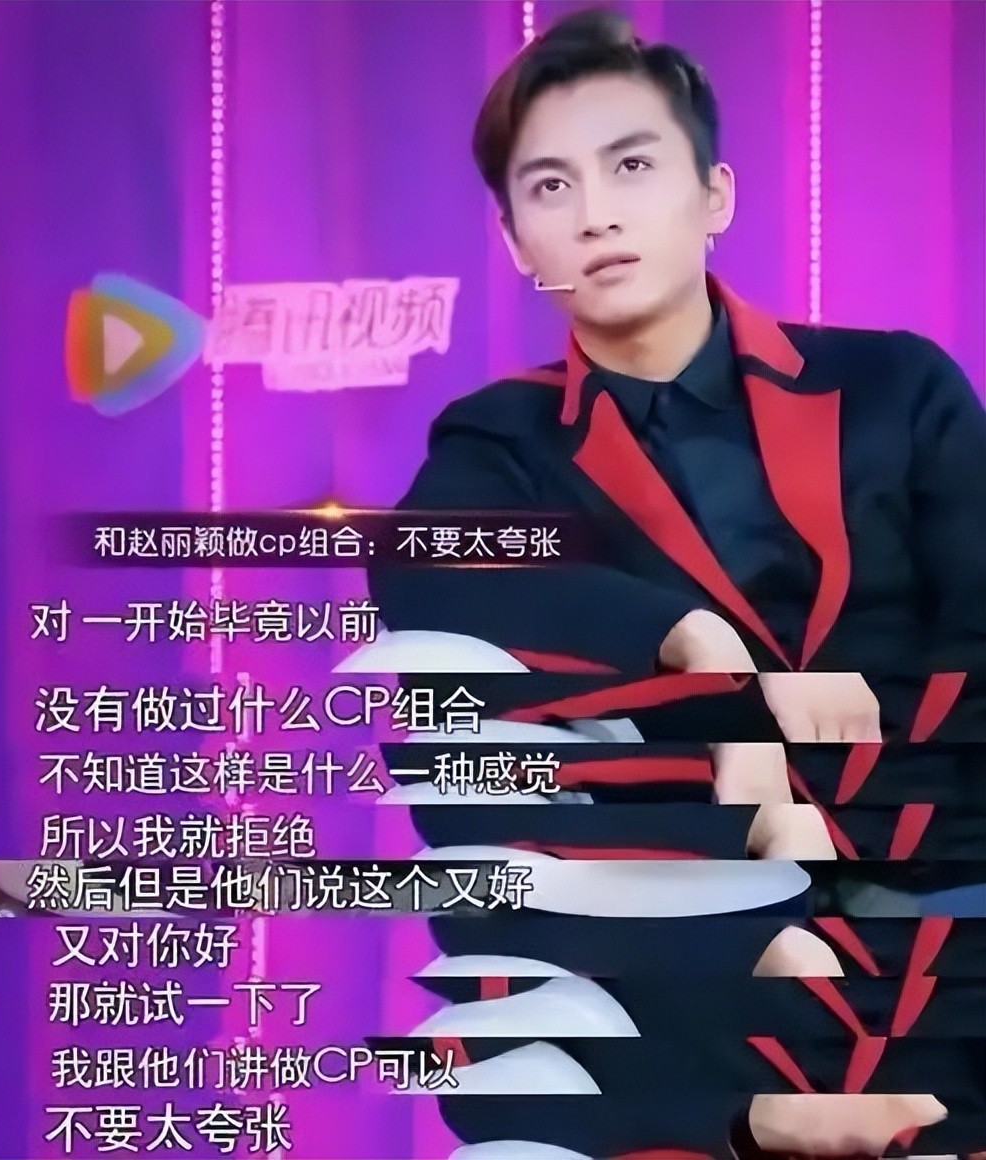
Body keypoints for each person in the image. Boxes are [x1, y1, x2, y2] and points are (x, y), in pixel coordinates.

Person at [366, 7, 986, 1157]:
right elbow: (425, 571)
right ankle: (760, 1096)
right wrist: (696, 646)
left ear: (714, 196)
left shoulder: (894, 388)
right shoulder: (502, 441)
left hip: (918, 871)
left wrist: (833, 816)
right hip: (671, 909)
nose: (595, 213)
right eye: (549, 187)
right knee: (452, 713)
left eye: (632, 166)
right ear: (514, 241)